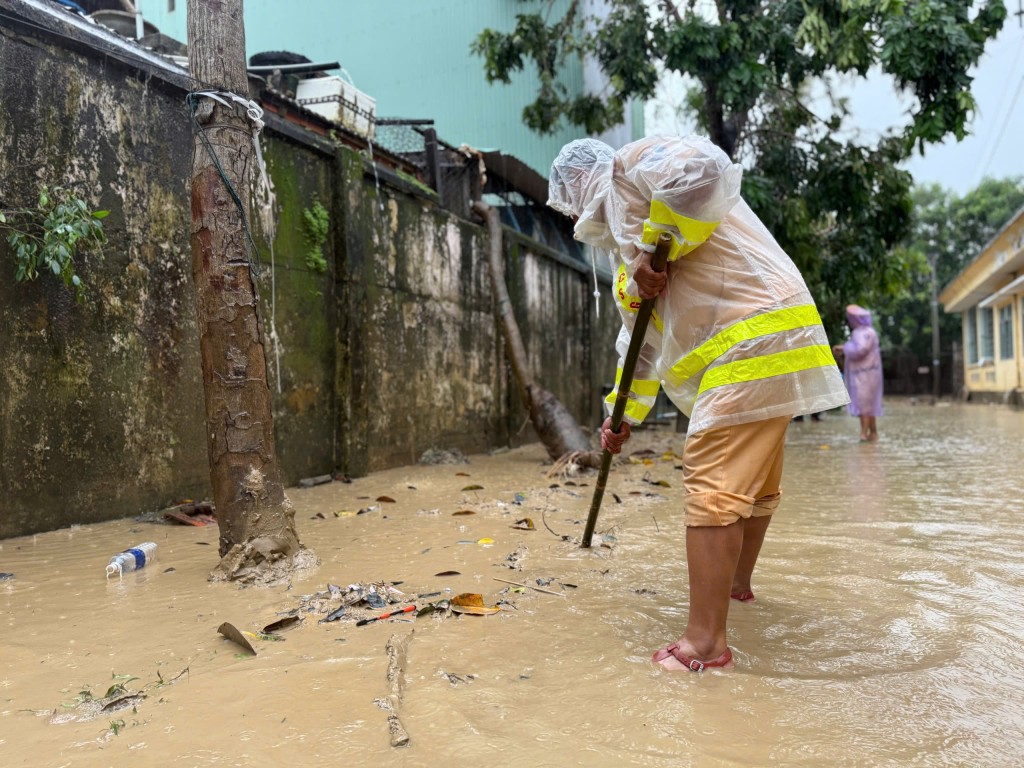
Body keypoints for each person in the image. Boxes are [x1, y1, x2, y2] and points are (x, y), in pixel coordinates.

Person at [548, 136, 850, 672]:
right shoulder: (627, 264)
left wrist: (650, 249)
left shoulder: (632, 167)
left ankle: (706, 645)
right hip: (770, 339)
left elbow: (705, 169)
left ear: (585, 182)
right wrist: (620, 416)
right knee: (753, 484)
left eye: (574, 198)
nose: (579, 213)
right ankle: (734, 588)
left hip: (752, 336)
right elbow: (639, 350)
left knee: (711, 483)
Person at [832, 304, 883, 441]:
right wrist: (845, 347)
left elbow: (859, 350)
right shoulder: (868, 332)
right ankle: (873, 434)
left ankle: (863, 435)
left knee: (863, 404)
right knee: (869, 404)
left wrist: (844, 348)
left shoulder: (863, 333)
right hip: (869, 374)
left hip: (864, 375)